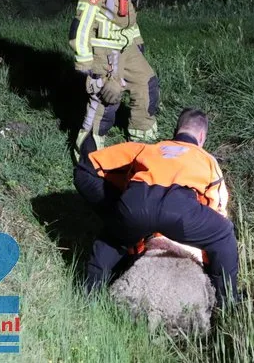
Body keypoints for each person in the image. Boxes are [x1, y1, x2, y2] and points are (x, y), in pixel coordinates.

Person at [72, 108, 239, 307]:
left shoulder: (147, 149)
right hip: (180, 211)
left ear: (175, 130)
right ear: (202, 136)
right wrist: (205, 255)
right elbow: (217, 207)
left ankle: (88, 298)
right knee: (223, 234)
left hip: (137, 204)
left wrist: (115, 207)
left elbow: (85, 169)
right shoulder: (206, 160)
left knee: (114, 238)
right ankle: (227, 301)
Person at [68, 0, 160, 158]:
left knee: (147, 83)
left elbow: (130, 12)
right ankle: (89, 156)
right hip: (102, 50)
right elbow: (82, 24)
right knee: (108, 98)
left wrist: (137, 41)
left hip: (126, 45)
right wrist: (86, 65)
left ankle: (143, 144)